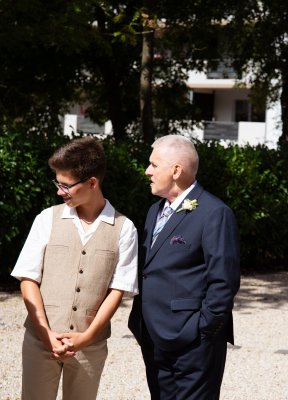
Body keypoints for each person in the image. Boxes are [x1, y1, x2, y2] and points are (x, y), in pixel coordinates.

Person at [11, 136, 138, 400]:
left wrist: (87, 337)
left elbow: (118, 290)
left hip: (90, 348)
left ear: (92, 183)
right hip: (39, 341)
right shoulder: (47, 219)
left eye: (65, 185)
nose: (59, 191)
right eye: (57, 183)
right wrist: (46, 333)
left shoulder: (125, 229)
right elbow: (28, 279)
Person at [128, 135, 240, 400]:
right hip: (153, 336)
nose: (147, 171)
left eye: (154, 165)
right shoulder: (154, 211)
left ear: (176, 171)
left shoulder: (215, 213)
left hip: (193, 343)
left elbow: (224, 281)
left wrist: (203, 331)